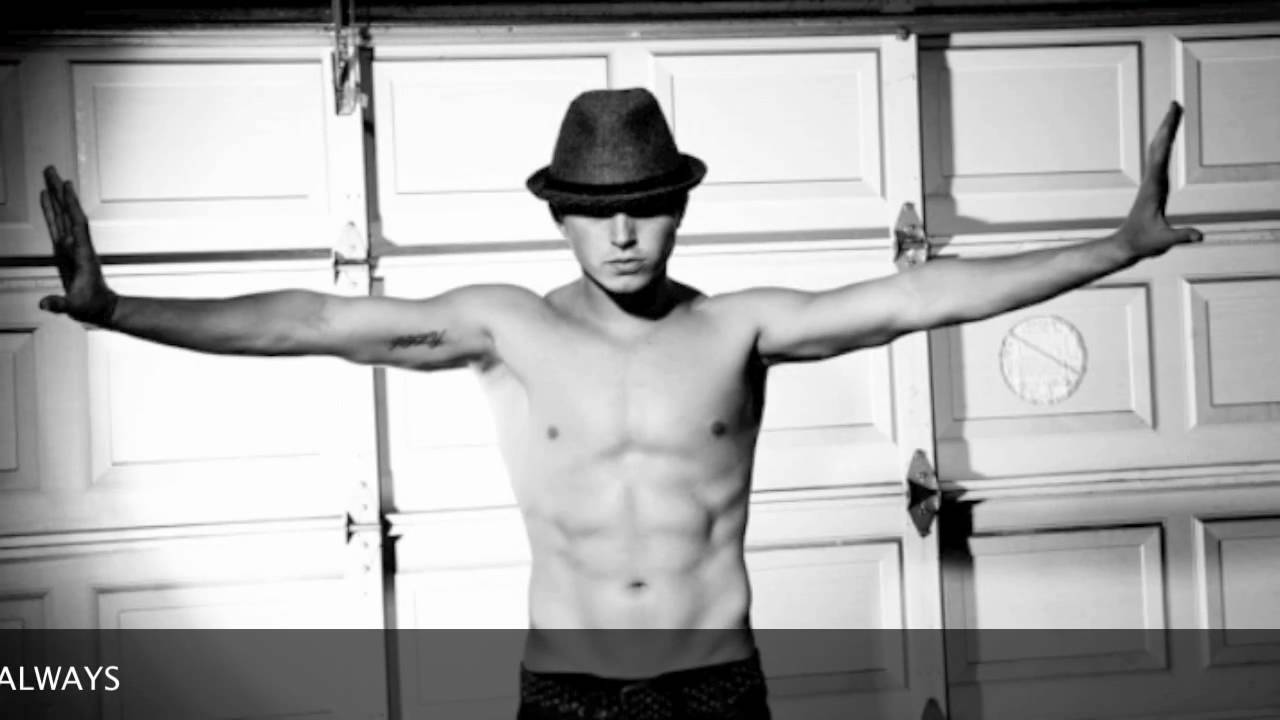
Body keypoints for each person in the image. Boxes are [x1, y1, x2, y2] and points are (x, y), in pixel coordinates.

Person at [38, 88, 1200, 719]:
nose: (623, 233)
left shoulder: (739, 328)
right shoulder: (508, 328)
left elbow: (916, 298)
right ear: (559, 213)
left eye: (644, 205)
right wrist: (118, 307)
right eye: (596, 211)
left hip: (715, 688)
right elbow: (307, 322)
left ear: (679, 205)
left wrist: (1114, 246)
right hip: (566, 694)